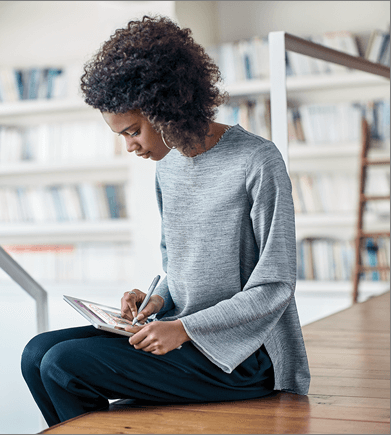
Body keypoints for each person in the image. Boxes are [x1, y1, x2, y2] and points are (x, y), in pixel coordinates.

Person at [21, 15, 310, 427]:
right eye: (121, 134)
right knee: (36, 354)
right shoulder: (168, 168)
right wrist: (156, 298)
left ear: (166, 106)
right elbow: (179, 264)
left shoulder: (256, 160)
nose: (129, 146)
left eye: (133, 131)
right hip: (182, 334)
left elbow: (276, 285)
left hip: (243, 355)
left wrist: (184, 329)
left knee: (63, 364)